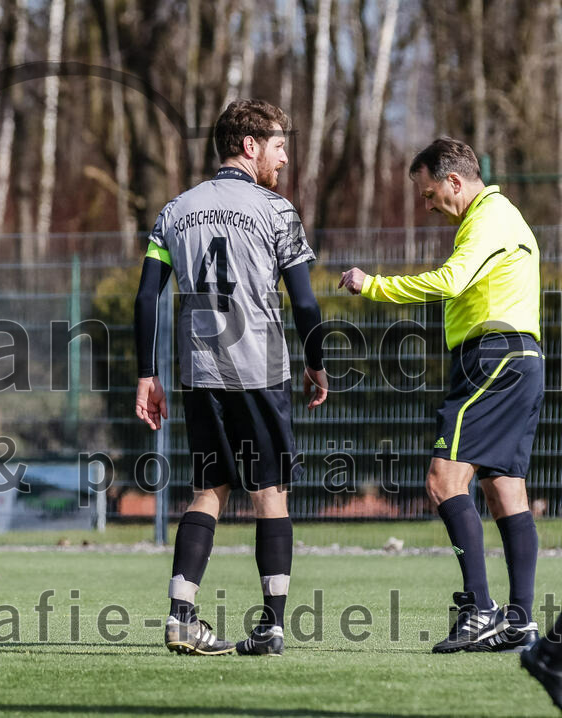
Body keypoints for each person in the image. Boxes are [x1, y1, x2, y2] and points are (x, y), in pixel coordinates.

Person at [134, 99, 328, 657]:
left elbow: (147, 297)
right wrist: (317, 362)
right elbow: (307, 304)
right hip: (261, 370)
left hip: (199, 373)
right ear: (250, 146)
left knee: (207, 491)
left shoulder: (175, 210)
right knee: (271, 492)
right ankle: (270, 625)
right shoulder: (276, 210)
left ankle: (181, 616)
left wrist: (147, 375)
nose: (284, 158)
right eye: (279, 145)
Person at [340, 137, 543, 654]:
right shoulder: (501, 217)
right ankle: (519, 619)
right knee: (505, 490)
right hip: (522, 360)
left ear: (455, 181)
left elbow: (452, 281)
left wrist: (375, 285)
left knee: (442, 479)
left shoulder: (489, 217)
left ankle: (478, 608)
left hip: (494, 358)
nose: (427, 206)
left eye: (429, 194)